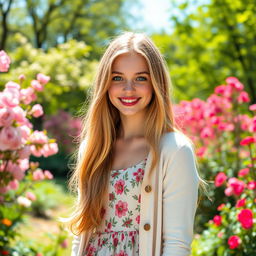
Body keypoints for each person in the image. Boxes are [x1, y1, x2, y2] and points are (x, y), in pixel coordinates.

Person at [60, 31, 206, 256]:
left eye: (141, 78)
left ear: (156, 83)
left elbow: (177, 244)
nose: (128, 89)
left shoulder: (175, 150)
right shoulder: (93, 147)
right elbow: (81, 235)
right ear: (105, 84)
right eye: (117, 78)